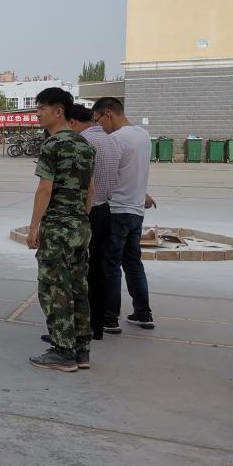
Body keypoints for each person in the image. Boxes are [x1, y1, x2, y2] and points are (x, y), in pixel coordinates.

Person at [26, 88, 96, 373]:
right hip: (80, 226)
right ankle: (81, 349)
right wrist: (80, 218)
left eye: (42, 108)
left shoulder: (53, 145)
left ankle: (63, 351)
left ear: (59, 112)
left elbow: (45, 189)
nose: (38, 114)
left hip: (57, 228)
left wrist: (34, 226)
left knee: (55, 288)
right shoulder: (85, 145)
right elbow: (90, 190)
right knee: (78, 287)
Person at [92, 97, 156, 330]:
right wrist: (143, 193)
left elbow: (108, 175)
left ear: (108, 113)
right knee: (133, 263)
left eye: (98, 120)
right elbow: (133, 170)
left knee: (110, 265)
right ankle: (143, 314)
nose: (99, 127)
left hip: (116, 209)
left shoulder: (115, 140)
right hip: (136, 210)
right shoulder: (143, 135)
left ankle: (109, 318)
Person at [67, 104, 120, 339]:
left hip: (85, 212)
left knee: (75, 272)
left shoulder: (82, 142)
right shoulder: (112, 140)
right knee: (99, 271)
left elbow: (82, 185)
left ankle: (75, 330)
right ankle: (96, 327)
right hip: (105, 211)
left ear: (72, 122)